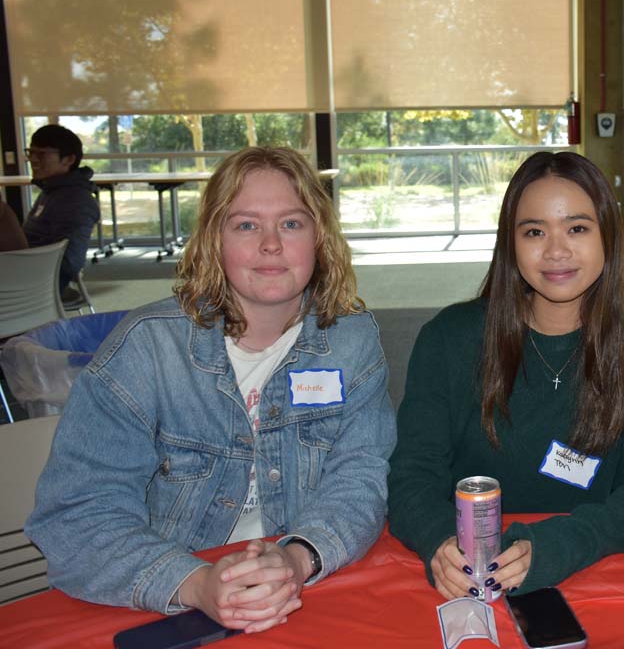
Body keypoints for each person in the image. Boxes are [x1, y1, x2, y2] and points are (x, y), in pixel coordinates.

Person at [26, 146, 396, 633]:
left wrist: (297, 559)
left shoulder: (350, 339)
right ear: (212, 239)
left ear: (320, 238)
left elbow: (360, 476)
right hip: (169, 596)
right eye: (246, 225)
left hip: (302, 589)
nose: (270, 245)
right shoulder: (147, 349)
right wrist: (197, 583)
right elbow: (79, 514)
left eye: (291, 224)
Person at [388, 151, 624, 599]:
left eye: (577, 228)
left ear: (607, 238)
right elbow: (412, 474)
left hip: (593, 567)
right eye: (535, 231)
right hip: (466, 574)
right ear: (510, 245)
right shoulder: (448, 339)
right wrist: (441, 543)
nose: (556, 251)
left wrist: (568, 542)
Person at [22, 124, 100, 293]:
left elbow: (69, 263)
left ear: (69, 159)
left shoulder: (77, 201)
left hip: (36, 286)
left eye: (41, 154)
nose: (33, 159)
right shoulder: (51, 191)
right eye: (31, 152)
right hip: (21, 274)